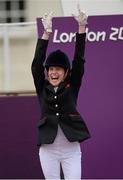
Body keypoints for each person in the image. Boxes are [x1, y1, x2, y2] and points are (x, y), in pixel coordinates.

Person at [31, 4, 91, 180]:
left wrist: (81, 27)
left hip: (71, 149)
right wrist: (46, 33)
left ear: (65, 73)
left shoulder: (72, 85)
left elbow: (78, 61)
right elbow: (36, 65)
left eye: (58, 69)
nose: (54, 72)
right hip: (48, 150)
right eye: (51, 69)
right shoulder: (42, 86)